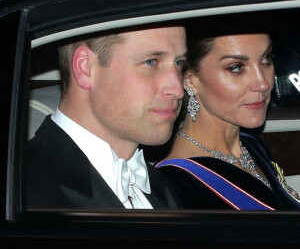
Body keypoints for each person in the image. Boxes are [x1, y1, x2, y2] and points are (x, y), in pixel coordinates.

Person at [25, 25, 187, 209]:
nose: (178, 90)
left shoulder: (159, 185)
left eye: (179, 63)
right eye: (151, 62)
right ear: (85, 67)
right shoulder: (21, 191)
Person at [156, 18, 300, 210]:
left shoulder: (251, 145)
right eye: (236, 67)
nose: (263, 83)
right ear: (189, 78)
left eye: (266, 59)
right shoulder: (178, 184)